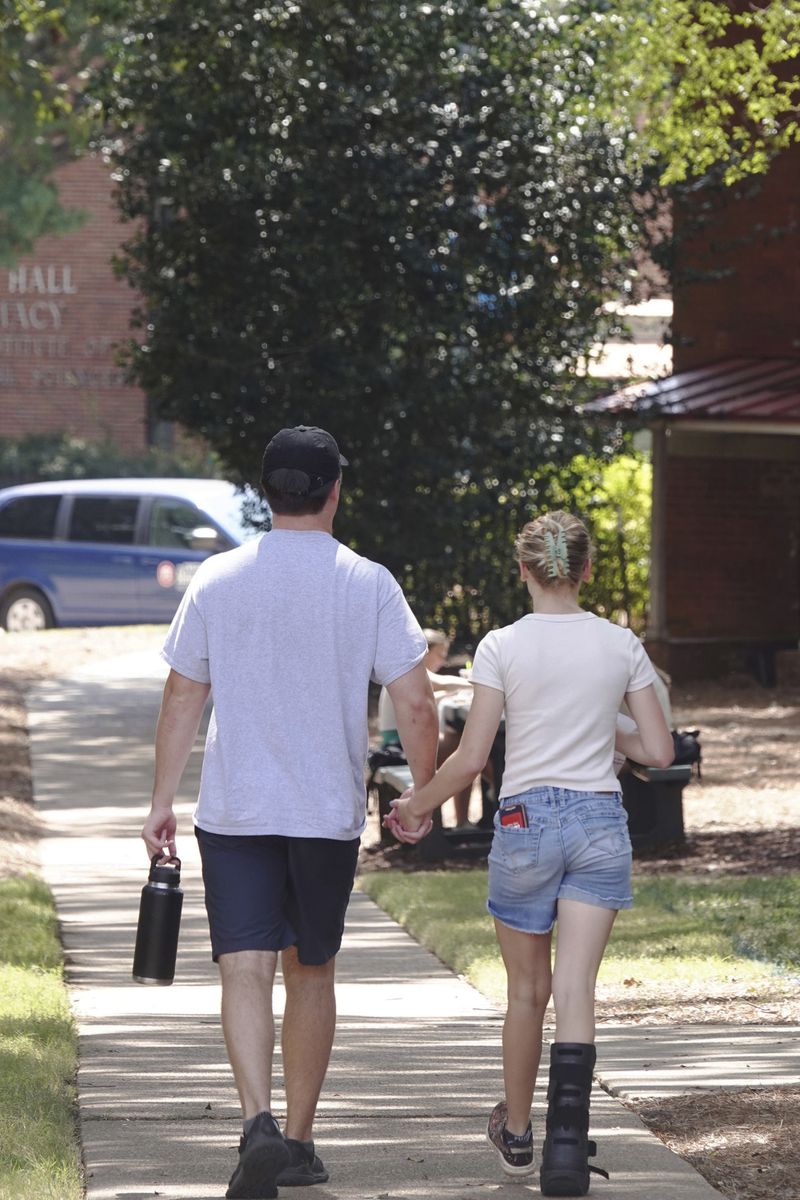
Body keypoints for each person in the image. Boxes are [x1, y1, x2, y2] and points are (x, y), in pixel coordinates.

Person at [141, 425, 439, 1200]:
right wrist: (423, 793)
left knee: (242, 968)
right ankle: (298, 1143)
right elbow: (414, 698)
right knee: (310, 972)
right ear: (336, 489)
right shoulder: (368, 582)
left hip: (235, 809)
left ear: (265, 492)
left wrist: (161, 802)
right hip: (323, 813)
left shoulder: (218, 578)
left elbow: (182, 695)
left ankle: (256, 1126)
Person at [388, 510, 672, 1196]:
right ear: (587, 569)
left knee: (527, 991)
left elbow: (473, 759)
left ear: (524, 570)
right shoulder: (619, 644)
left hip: (525, 821)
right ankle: (568, 1151)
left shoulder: (501, 645)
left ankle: (518, 1136)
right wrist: (604, 723)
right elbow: (658, 751)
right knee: (575, 989)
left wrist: (415, 805)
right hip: (601, 821)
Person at [378, 628, 479, 826]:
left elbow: (434, 697)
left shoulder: (409, 676)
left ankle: (465, 818)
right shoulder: (408, 670)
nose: (443, 661)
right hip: (399, 747)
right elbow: (441, 685)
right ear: (425, 651)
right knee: (463, 747)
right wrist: (477, 684)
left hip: (403, 742)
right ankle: (468, 814)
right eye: (440, 654)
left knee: (464, 746)